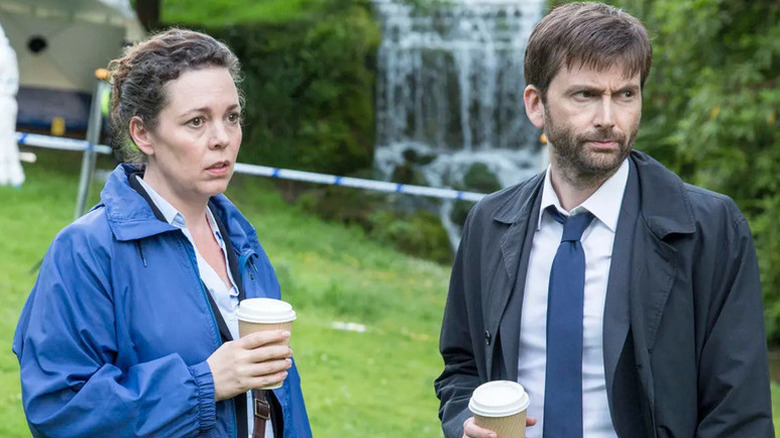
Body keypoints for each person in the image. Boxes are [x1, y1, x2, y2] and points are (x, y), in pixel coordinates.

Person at [434, 2, 774, 438]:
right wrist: (466, 423)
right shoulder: (488, 222)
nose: (609, 119)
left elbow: (738, 414)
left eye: (626, 94)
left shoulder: (710, 228)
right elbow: (461, 368)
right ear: (536, 105)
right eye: (586, 95)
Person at [13, 29, 312, 438]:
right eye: (196, 121)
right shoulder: (87, 249)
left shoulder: (242, 241)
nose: (222, 139)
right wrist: (206, 384)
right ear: (143, 134)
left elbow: (284, 401)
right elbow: (59, 413)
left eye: (232, 116)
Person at [0, 22, 25, 187]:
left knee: (6, 141)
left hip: (3, 100)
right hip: (8, 100)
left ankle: (16, 176)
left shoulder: (3, 53)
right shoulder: (9, 52)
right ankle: (6, 176)